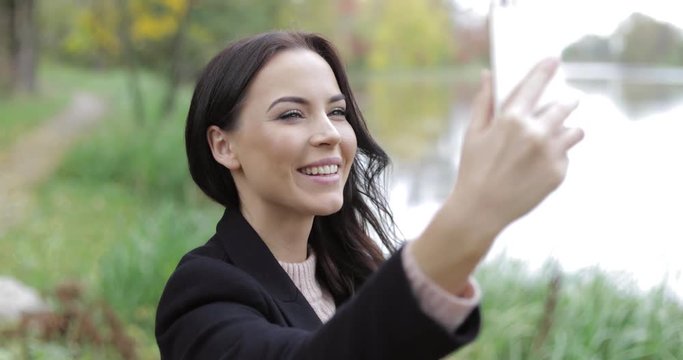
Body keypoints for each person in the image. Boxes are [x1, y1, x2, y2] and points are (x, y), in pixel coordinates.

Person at [155, 31, 583, 359]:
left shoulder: (355, 271)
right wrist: (474, 214)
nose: (329, 133)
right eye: (291, 114)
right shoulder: (202, 294)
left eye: (337, 111)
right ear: (223, 146)